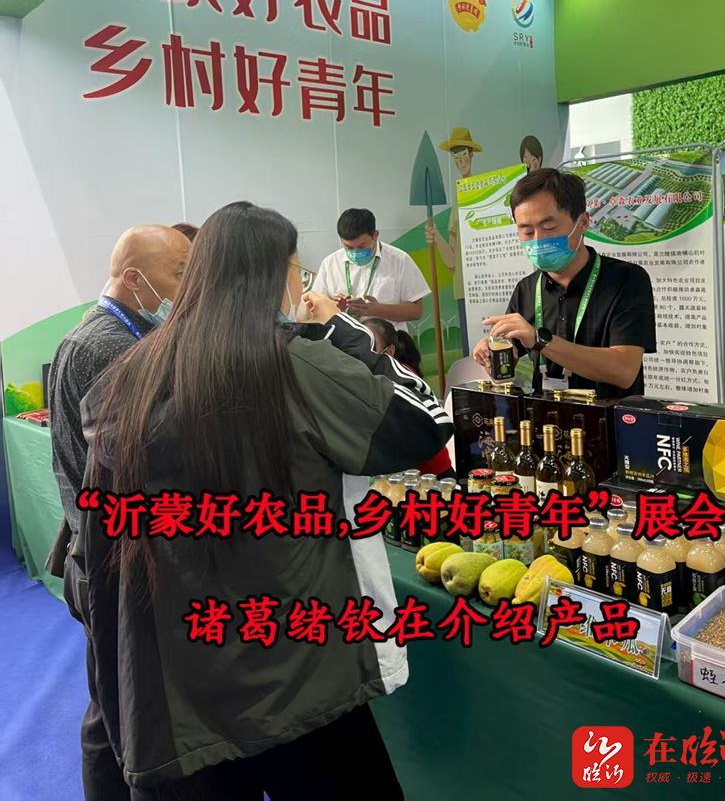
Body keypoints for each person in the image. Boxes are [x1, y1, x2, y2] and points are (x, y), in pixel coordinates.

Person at [67, 202, 453, 799]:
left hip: (181, 679)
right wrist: (340, 329)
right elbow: (423, 423)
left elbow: (101, 541)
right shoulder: (295, 365)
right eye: (298, 270)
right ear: (277, 276)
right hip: (295, 671)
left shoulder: (128, 376)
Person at [48, 224, 191, 801]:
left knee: (113, 703)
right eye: (179, 274)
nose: (187, 287)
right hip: (113, 558)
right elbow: (143, 465)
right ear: (134, 278)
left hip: (109, 550)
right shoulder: (106, 348)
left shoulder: (121, 335)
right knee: (120, 715)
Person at [472, 168, 656, 398]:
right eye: (527, 232)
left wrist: (540, 341)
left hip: (610, 418)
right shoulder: (526, 289)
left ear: (583, 222)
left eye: (549, 228)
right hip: (545, 418)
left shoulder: (627, 280)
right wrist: (493, 352)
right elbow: (513, 356)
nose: (538, 240)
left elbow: (623, 370)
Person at [363, 317, 454, 479]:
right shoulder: (368, 378)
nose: (362, 352)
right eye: (358, 343)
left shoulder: (402, 379)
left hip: (430, 476)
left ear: (389, 352)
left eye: (371, 346)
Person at [312, 207, 429, 331]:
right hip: (345, 340)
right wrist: (334, 307)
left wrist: (379, 310)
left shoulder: (399, 260)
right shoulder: (330, 264)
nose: (355, 252)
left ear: (375, 235)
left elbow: (416, 311)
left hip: (388, 340)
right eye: (349, 247)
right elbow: (315, 310)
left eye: (362, 246)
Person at [426, 127, 484, 356]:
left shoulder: (485, 193)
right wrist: (436, 237)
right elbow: (452, 261)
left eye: (464, 156)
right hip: (463, 288)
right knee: (471, 352)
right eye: (456, 158)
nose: (460, 162)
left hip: (485, 285)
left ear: (472, 155)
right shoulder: (458, 201)